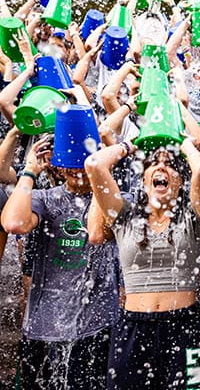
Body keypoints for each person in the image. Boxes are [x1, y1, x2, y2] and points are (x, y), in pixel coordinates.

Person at [85, 137, 200, 390]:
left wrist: (183, 142)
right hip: (132, 328)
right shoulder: (124, 217)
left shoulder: (193, 217)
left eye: (170, 164)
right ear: (143, 180)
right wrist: (130, 144)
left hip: (185, 327)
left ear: (180, 182)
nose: (161, 167)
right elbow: (94, 165)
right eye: (154, 163)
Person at [1, 127, 121, 389]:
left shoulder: (114, 199)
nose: (76, 168)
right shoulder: (45, 199)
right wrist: (30, 171)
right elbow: (13, 223)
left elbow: (100, 233)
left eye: (83, 160)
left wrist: (99, 172)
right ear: (56, 166)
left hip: (96, 327)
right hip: (44, 328)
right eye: (69, 161)